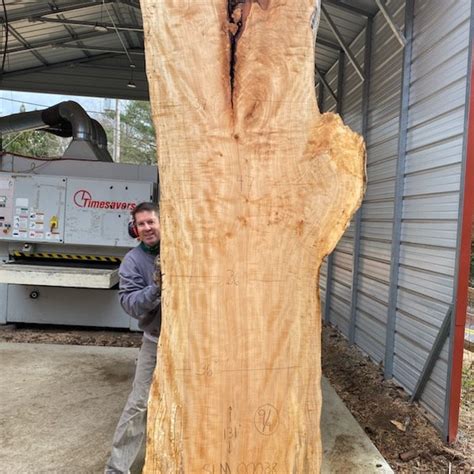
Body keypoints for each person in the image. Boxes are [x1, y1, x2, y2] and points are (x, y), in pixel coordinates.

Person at [105, 202, 161, 474]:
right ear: (135, 230)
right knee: (139, 403)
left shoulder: (188, 248)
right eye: (141, 224)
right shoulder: (133, 261)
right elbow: (130, 304)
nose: (147, 228)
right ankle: (117, 469)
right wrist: (155, 288)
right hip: (156, 340)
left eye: (151, 221)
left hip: (194, 343)